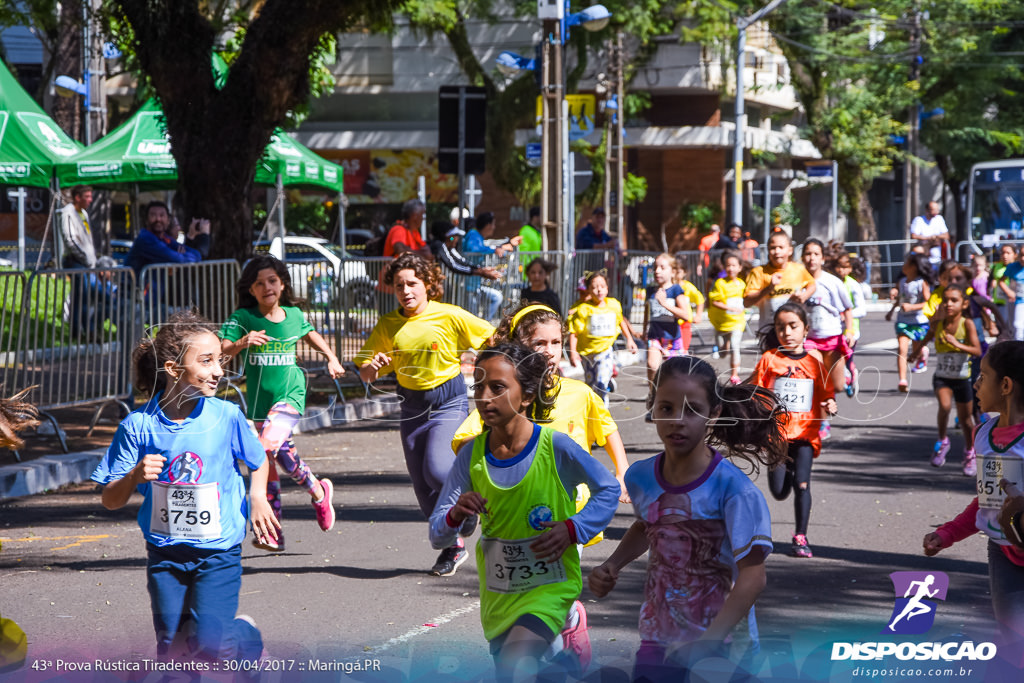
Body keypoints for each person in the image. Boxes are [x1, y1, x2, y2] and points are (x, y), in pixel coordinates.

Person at [91, 310, 278, 663]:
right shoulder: (138, 426)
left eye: (219, 361)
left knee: (212, 645)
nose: (219, 371)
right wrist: (133, 476)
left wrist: (257, 495)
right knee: (173, 653)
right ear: (175, 370)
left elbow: (259, 459)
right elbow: (110, 500)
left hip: (217, 553)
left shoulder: (225, 416)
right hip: (165, 556)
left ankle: (246, 637)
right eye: (206, 362)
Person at [588, 356, 787, 681]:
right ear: (653, 410)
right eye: (666, 408)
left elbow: (753, 578)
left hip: (722, 644)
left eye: (692, 409)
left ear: (714, 414)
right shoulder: (642, 477)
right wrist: (612, 565)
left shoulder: (734, 490)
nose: (678, 420)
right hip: (658, 636)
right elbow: (648, 526)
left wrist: (708, 642)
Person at [429, 342, 620, 681]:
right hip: (499, 596)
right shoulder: (471, 456)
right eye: (478, 387)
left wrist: (573, 529)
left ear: (528, 395)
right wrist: (455, 515)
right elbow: (436, 534)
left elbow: (608, 489)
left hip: (550, 586)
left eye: (497, 387)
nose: (484, 396)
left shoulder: (555, 447)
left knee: (516, 668)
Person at [356, 253, 495, 576]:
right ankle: (452, 546)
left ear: (429, 285)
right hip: (411, 407)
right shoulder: (389, 324)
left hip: (448, 401)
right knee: (422, 486)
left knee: (437, 468)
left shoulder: (450, 315)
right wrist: (371, 368)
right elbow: (365, 373)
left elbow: (492, 337)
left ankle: (469, 505)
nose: (406, 290)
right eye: (399, 285)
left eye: (413, 284)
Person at [451, 302, 632, 503]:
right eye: (540, 343)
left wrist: (622, 471)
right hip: (520, 510)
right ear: (517, 347)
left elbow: (607, 430)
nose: (550, 351)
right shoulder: (502, 396)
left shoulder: (579, 393)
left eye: (556, 342)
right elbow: (463, 443)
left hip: (576, 515)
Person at [220, 256, 341, 551]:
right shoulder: (243, 317)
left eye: (272, 281)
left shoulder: (294, 315)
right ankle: (317, 490)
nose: (266, 287)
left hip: (290, 396)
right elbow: (223, 350)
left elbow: (310, 333)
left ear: (282, 283)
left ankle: (267, 530)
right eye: (259, 283)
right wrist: (242, 343)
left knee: (264, 451)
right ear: (250, 290)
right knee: (278, 460)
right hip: (260, 403)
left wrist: (331, 357)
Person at [923, 341, 1024, 644]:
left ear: (1005, 385)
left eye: (983, 376)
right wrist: (948, 533)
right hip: (1003, 552)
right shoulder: (983, 435)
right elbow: (987, 501)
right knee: (1012, 637)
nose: (975, 384)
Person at [751, 303, 838, 559]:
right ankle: (785, 469)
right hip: (776, 436)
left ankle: (801, 536)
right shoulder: (770, 359)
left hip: (805, 436)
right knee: (779, 492)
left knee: (802, 485)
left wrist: (829, 404)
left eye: (793, 326)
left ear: (806, 330)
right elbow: (758, 392)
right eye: (780, 327)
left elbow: (827, 395)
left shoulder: (815, 364)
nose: (787, 332)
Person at [910, 284, 982, 475]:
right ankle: (942, 441)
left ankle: (969, 452)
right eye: (946, 299)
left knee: (966, 419)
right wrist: (915, 354)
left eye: (954, 300)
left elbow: (977, 350)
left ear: (964, 304)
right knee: (945, 407)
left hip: (962, 378)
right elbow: (926, 338)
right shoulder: (938, 324)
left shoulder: (967, 324)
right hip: (942, 376)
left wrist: (957, 344)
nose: (949, 304)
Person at [800, 238, 855, 420]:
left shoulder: (832, 282)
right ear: (802, 257)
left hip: (832, 338)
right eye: (808, 254)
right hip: (809, 341)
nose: (811, 258)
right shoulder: (797, 283)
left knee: (837, 386)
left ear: (822, 258)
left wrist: (850, 331)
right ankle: (822, 422)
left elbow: (847, 309)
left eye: (816, 254)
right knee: (817, 381)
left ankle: (847, 375)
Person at [567, 271, 638, 404]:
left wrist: (630, 339)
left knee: (600, 384)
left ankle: (602, 408)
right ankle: (605, 386)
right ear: (588, 290)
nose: (599, 289)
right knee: (590, 385)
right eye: (594, 287)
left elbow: (621, 321)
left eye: (602, 286)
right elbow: (574, 332)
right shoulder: (583, 309)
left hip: (605, 351)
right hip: (588, 353)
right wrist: (573, 352)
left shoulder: (614, 305)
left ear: (607, 288)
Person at [427, 220, 505, 320]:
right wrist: (480, 272)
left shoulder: (449, 247)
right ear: (448, 237)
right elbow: (453, 265)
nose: (457, 239)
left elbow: (461, 261)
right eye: (455, 236)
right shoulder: (439, 245)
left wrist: (480, 269)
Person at [743, 231, 816, 325]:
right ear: (768, 250)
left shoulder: (798, 269)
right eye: (773, 248)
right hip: (769, 329)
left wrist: (804, 295)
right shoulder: (759, 272)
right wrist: (768, 288)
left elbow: (812, 285)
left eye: (781, 247)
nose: (777, 252)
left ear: (790, 250)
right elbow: (747, 303)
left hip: (793, 329)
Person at [886, 252, 935, 392]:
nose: (904, 266)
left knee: (916, 350)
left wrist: (912, 307)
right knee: (902, 349)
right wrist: (891, 311)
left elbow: (928, 302)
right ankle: (902, 380)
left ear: (914, 267)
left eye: (906, 263)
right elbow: (900, 299)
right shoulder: (902, 282)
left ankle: (922, 352)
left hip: (918, 321)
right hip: (903, 320)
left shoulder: (921, 283)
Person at [462, 212, 523, 320]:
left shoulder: (477, 236)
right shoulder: (473, 234)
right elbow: (474, 250)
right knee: (472, 316)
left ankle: (485, 324)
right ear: (488, 225)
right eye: (493, 224)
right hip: (468, 286)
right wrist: (494, 250)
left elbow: (483, 247)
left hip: (475, 285)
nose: (494, 228)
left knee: (496, 297)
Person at [643, 254, 690, 382]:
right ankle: (653, 394)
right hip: (655, 336)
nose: (657, 271)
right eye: (655, 267)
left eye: (662, 267)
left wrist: (664, 303)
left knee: (676, 375)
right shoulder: (650, 290)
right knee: (652, 366)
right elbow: (647, 311)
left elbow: (685, 315)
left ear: (673, 272)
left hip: (672, 338)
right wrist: (643, 331)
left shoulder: (676, 290)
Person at [126, 201, 203, 276]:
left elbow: (196, 254)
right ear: (146, 220)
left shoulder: (165, 238)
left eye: (162, 215)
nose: (158, 219)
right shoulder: (145, 239)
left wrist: (183, 256)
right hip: (136, 288)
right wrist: (181, 256)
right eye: (153, 215)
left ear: (168, 221)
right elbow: (177, 259)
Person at [708, 251, 747, 384]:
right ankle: (726, 344)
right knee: (723, 352)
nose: (731, 268)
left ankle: (734, 376)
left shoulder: (742, 284)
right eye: (728, 265)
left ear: (740, 268)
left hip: (737, 322)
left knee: (736, 347)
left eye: (734, 265)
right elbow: (714, 301)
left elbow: (747, 300)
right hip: (721, 323)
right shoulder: (720, 283)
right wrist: (730, 308)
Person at [672, 258, 705, 353]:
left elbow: (700, 299)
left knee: (683, 349)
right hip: (670, 323)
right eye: (673, 271)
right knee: (671, 351)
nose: (675, 275)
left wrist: (698, 315)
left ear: (684, 272)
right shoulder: (667, 287)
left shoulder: (687, 287)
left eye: (678, 272)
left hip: (684, 324)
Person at [59, 185, 96, 270]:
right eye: (87, 197)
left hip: (87, 263)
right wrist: (84, 257)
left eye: (90, 196)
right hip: (75, 261)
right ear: (77, 198)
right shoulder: (68, 213)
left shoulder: (84, 213)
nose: (90, 200)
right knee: (81, 283)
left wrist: (91, 259)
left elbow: (88, 239)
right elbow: (70, 239)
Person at [910, 200, 950, 267]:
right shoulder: (918, 220)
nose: (936, 212)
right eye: (933, 210)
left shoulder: (939, 219)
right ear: (927, 210)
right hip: (922, 259)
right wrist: (929, 238)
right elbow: (914, 235)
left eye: (937, 210)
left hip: (937, 259)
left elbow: (946, 236)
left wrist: (935, 237)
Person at [991, 244, 1016, 333]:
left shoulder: (1017, 267)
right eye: (1003, 253)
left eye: (1008, 253)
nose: (1005, 256)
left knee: (1014, 327)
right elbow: (992, 279)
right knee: (1001, 327)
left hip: (1014, 302)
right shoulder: (996, 266)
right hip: (1000, 301)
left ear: (1014, 255)